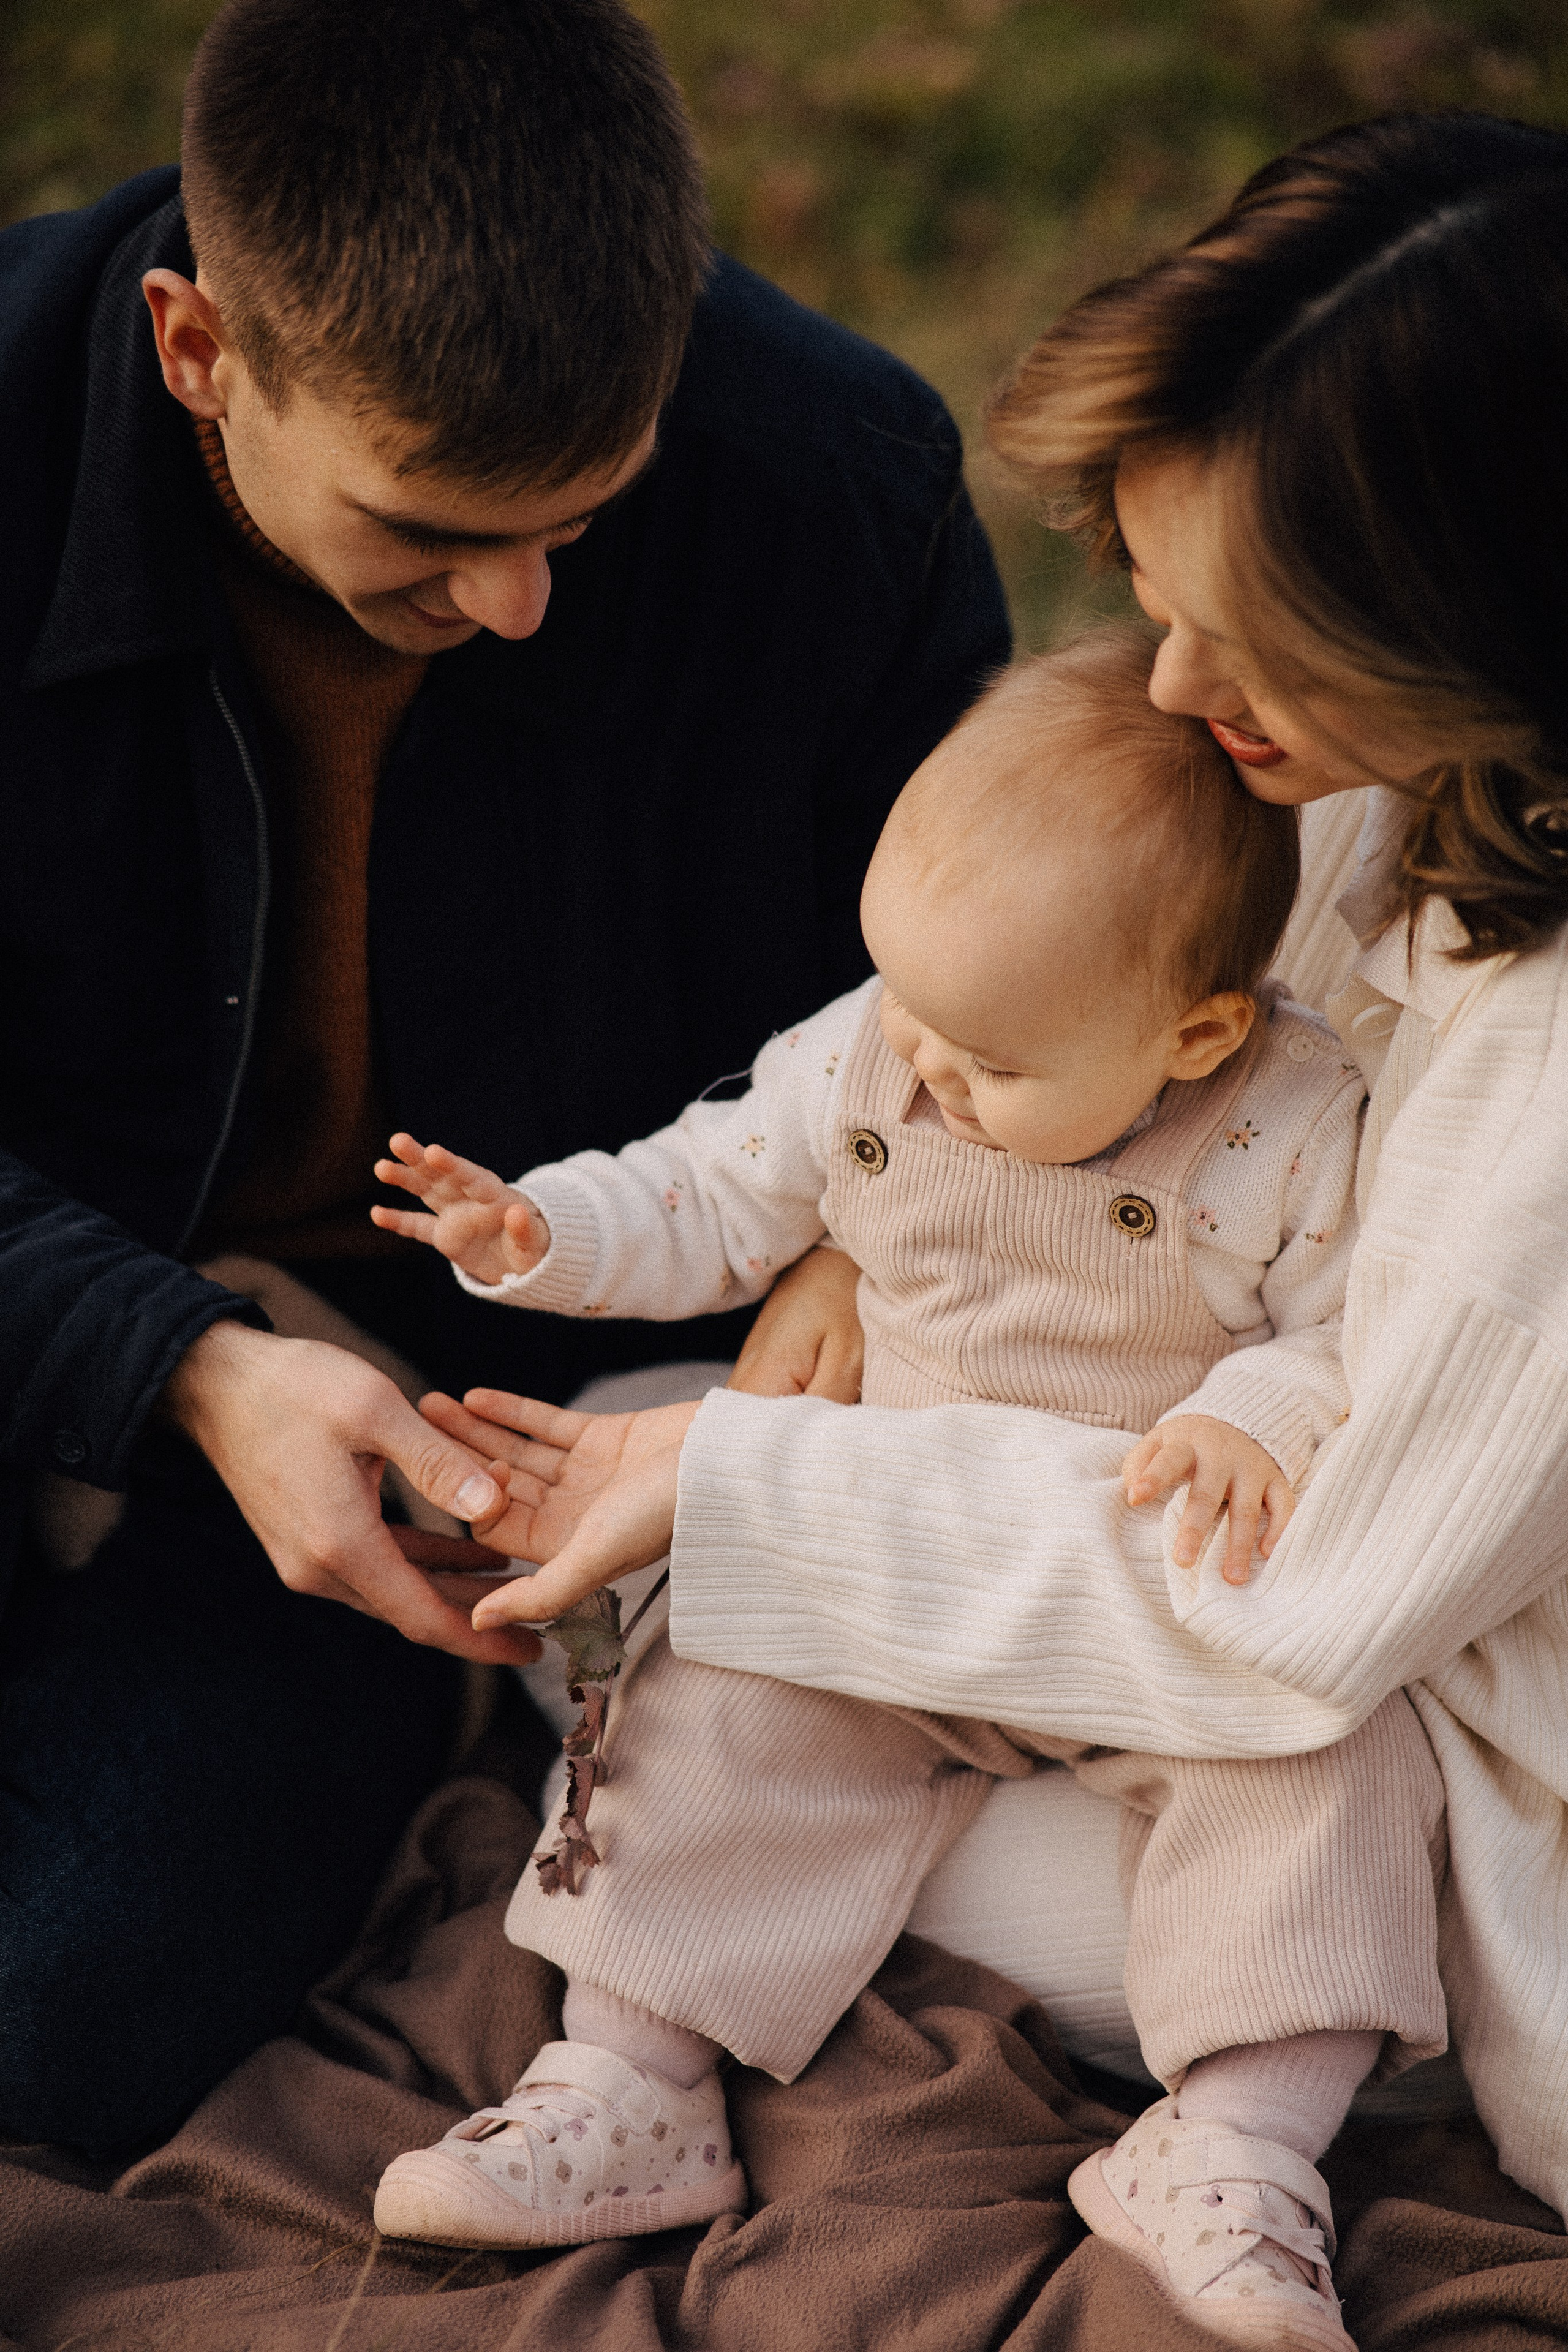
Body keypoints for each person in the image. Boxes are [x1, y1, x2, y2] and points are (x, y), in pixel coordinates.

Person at [418, 105, 1568, 2310]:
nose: (1174, 693)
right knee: (655, 1507)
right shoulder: (1395, 780)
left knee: (691, 1642)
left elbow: (1310, 1599)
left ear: (1476, 619)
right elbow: (1058, 1059)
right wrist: (872, 1233)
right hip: (1199, 1577)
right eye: (1158, 602)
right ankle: (640, 2046)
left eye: (1258, 641)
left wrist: (745, 1491)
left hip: (1424, 1771)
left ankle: (1235, 2139)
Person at [0, 0, 1009, 2151]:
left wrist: (865, 1229)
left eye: (586, 512)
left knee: (49, 2023)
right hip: (62, 1266)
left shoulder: (837, 489)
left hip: (470, 1421)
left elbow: (977, 1014)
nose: (523, 602)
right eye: (431, 528)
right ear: (198, 348)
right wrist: (180, 1361)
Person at [366, 629, 1442, 2346]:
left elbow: (1356, 1330)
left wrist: (1260, 1408)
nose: (927, 1067)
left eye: (989, 1059)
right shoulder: (884, 1042)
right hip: (877, 1569)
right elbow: (710, 1188)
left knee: (1339, 1769)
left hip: (1133, 1610)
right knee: (708, 1692)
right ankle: (631, 2081)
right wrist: (543, 1229)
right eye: (907, 1011)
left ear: (1198, 1033)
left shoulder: (1292, 1124)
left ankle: (1237, 2147)